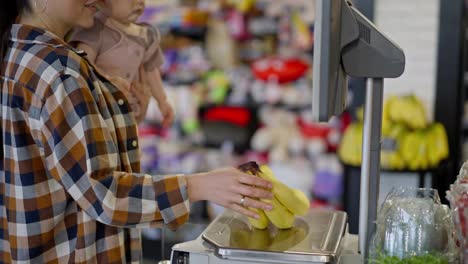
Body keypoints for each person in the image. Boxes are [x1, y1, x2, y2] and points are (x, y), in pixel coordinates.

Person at [0, 1, 273, 263]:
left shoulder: (21, 54)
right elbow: (103, 194)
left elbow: (60, 164)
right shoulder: (60, 71)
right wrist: (199, 186)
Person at [70, 0, 173, 125]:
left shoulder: (146, 35)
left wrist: (162, 101)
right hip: (102, 110)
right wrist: (107, 79)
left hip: (131, 108)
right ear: (102, 2)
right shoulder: (95, 29)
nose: (139, 2)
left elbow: (151, 70)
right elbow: (82, 65)